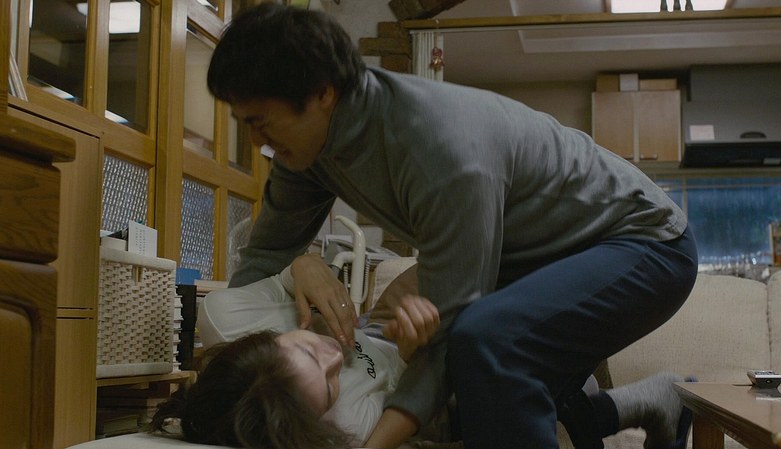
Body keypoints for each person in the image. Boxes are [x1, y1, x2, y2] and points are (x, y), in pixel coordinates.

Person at [207, 4, 700, 449]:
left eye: (261, 122)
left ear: (322, 93)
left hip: (647, 243)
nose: (256, 141)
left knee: (487, 342)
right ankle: (656, 401)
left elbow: (451, 331)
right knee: (490, 389)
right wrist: (233, 388)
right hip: (535, 260)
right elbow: (264, 260)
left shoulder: (441, 149)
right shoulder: (306, 151)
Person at [151, 262, 442, 449]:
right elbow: (407, 392)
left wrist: (305, 267)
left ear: (268, 338)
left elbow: (285, 280)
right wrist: (408, 352)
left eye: (309, 350)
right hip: (406, 349)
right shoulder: (347, 425)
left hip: (373, 321)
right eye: (330, 387)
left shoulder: (226, 316)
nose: (336, 358)